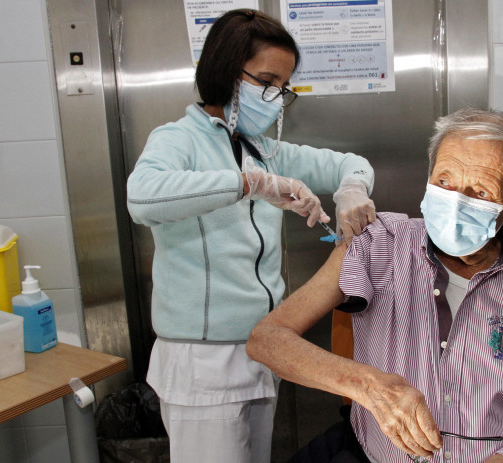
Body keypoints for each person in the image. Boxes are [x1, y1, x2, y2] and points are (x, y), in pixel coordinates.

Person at [247, 107, 503, 463]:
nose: (457, 202)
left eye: (480, 191)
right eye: (444, 182)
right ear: (429, 172)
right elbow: (268, 340)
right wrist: (369, 386)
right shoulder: (379, 245)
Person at [126, 9, 376, 462]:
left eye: (283, 87)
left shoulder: (264, 149)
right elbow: (142, 199)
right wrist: (250, 183)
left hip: (264, 347)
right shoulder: (178, 139)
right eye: (266, 81)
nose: (275, 97)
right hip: (203, 360)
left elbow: (349, 162)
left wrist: (352, 189)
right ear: (226, 71)